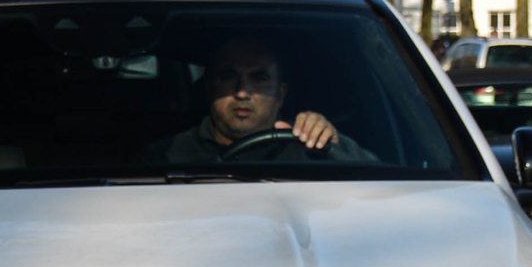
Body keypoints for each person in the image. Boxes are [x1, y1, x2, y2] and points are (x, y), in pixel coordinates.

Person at [144, 39, 372, 164]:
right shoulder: (167, 155)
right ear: (209, 88)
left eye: (259, 78)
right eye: (228, 77)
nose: (242, 92)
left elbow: (380, 186)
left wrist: (334, 144)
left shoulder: (307, 149)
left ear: (281, 94)